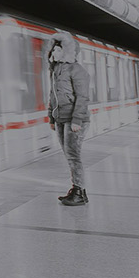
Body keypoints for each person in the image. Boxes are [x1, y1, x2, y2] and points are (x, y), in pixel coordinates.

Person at [47, 33, 93, 206]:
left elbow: (83, 97)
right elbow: (53, 95)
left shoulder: (77, 70)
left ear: (67, 51)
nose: (55, 52)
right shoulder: (55, 70)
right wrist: (51, 117)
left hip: (74, 120)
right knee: (69, 155)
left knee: (73, 155)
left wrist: (77, 121)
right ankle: (77, 189)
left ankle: (79, 192)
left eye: (59, 49)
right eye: (54, 48)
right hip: (61, 119)